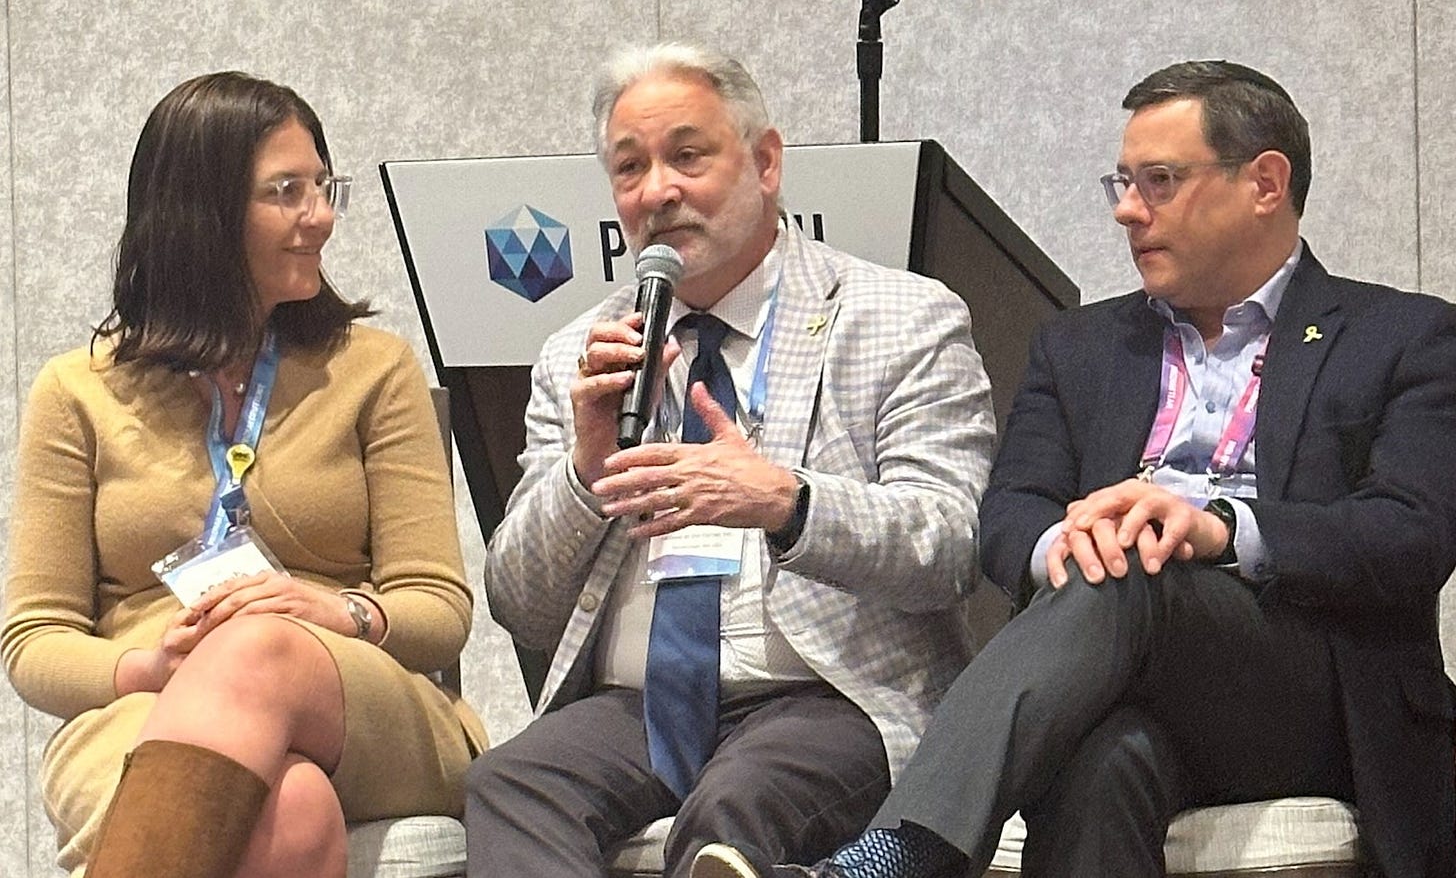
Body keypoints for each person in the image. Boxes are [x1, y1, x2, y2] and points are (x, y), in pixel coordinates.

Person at [695, 60, 1456, 878]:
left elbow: (1412, 533)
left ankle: (892, 858)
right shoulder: (1081, 345)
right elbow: (1008, 511)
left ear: (1265, 182)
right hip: (1123, 669)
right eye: (1122, 182)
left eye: (1159, 181)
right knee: (1103, 759)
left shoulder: (1404, 335)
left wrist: (1218, 528)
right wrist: (1067, 540)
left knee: (1134, 565)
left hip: (1313, 693)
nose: (1129, 210)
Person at [466, 42, 996, 878]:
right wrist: (584, 470)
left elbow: (950, 547)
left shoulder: (900, 316)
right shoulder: (583, 351)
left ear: (766, 161)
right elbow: (520, 606)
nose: (658, 191)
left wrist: (786, 500)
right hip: (636, 703)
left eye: (687, 156)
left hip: (828, 694)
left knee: (735, 801)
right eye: (630, 168)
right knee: (509, 781)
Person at [2, 71, 487, 878]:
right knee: (288, 809)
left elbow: (437, 609)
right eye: (287, 191)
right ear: (201, 214)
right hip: (142, 703)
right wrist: (147, 665)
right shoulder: (75, 391)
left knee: (258, 646)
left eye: (324, 186)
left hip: (362, 701)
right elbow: (33, 641)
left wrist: (329, 610)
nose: (321, 216)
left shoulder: (374, 369)